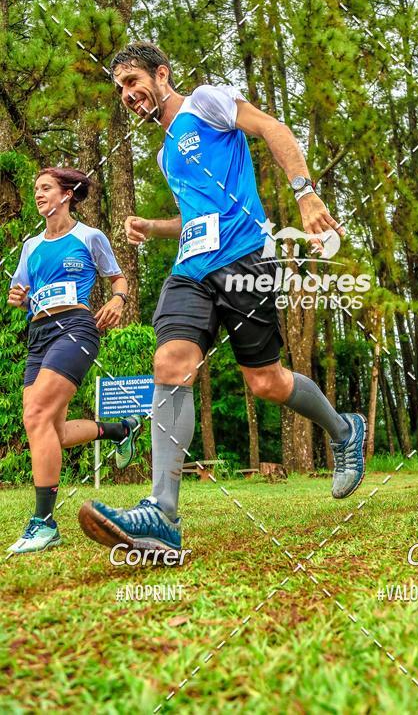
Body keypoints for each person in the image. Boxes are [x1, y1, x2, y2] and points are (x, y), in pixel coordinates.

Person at [79, 42, 367, 554]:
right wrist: (154, 227)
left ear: (161, 74)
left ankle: (343, 429)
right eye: (120, 88)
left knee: (265, 382)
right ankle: (162, 513)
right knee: (170, 362)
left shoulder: (205, 102)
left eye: (132, 82)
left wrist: (305, 193)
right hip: (191, 269)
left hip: (244, 257)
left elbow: (272, 128)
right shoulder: (166, 153)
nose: (127, 95)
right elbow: (193, 217)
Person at [7, 167, 142, 554]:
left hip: (75, 328)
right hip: (38, 335)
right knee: (53, 431)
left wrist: (118, 300)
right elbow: (21, 293)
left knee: (36, 416)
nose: (38, 194)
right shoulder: (31, 246)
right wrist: (18, 298)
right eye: (36, 189)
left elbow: (118, 278)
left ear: (67, 194)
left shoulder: (89, 236)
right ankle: (121, 430)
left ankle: (44, 523)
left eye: (46, 188)